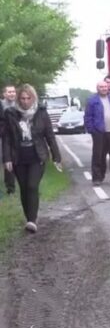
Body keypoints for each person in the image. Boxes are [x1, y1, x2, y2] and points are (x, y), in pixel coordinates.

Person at [2, 84, 63, 233]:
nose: (25, 101)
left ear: (33, 98)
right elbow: (7, 138)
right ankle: (29, 219)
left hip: (37, 155)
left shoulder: (41, 112)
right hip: (19, 156)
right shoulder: (10, 113)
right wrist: (7, 158)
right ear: (18, 99)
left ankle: (32, 220)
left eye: (28, 98)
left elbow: (49, 135)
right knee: (23, 188)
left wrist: (56, 156)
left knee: (32, 186)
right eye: (22, 98)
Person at [84, 80, 110, 185]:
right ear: (97, 88)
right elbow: (88, 117)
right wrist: (91, 129)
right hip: (99, 132)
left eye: (105, 87)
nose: (104, 89)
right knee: (99, 156)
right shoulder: (92, 100)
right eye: (101, 87)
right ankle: (97, 178)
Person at [1, 84, 16, 194]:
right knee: (7, 159)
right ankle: (10, 187)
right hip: (4, 136)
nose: (12, 94)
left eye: (13, 91)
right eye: (9, 92)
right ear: (4, 94)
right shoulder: (1, 105)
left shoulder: (19, 104)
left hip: (17, 136)